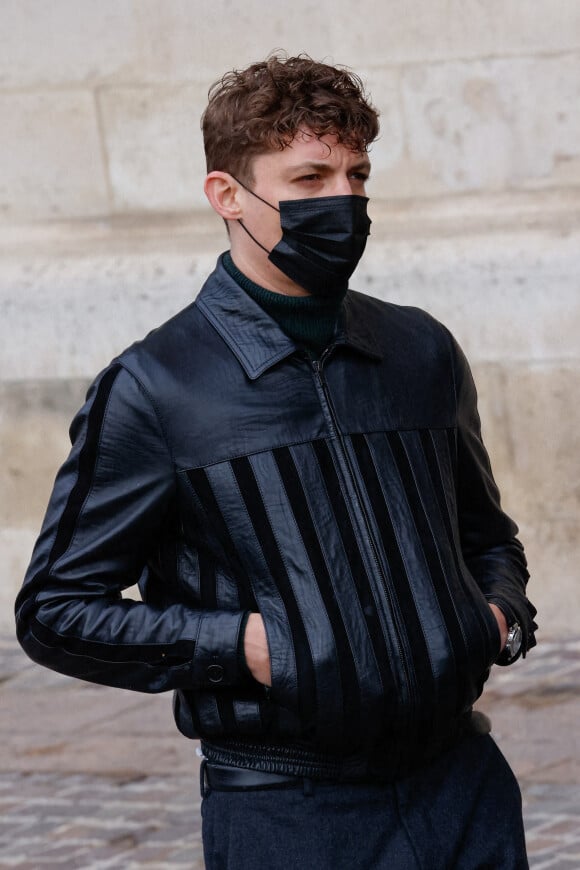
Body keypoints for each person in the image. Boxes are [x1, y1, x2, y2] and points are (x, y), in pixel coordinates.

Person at [16, 54, 538, 869]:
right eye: (309, 178)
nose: (345, 201)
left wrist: (497, 619)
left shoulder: (420, 351)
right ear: (228, 195)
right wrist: (246, 645)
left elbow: (487, 538)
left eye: (357, 175)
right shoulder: (157, 387)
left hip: (464, 792)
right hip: (288, 814)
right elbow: (56, 609)